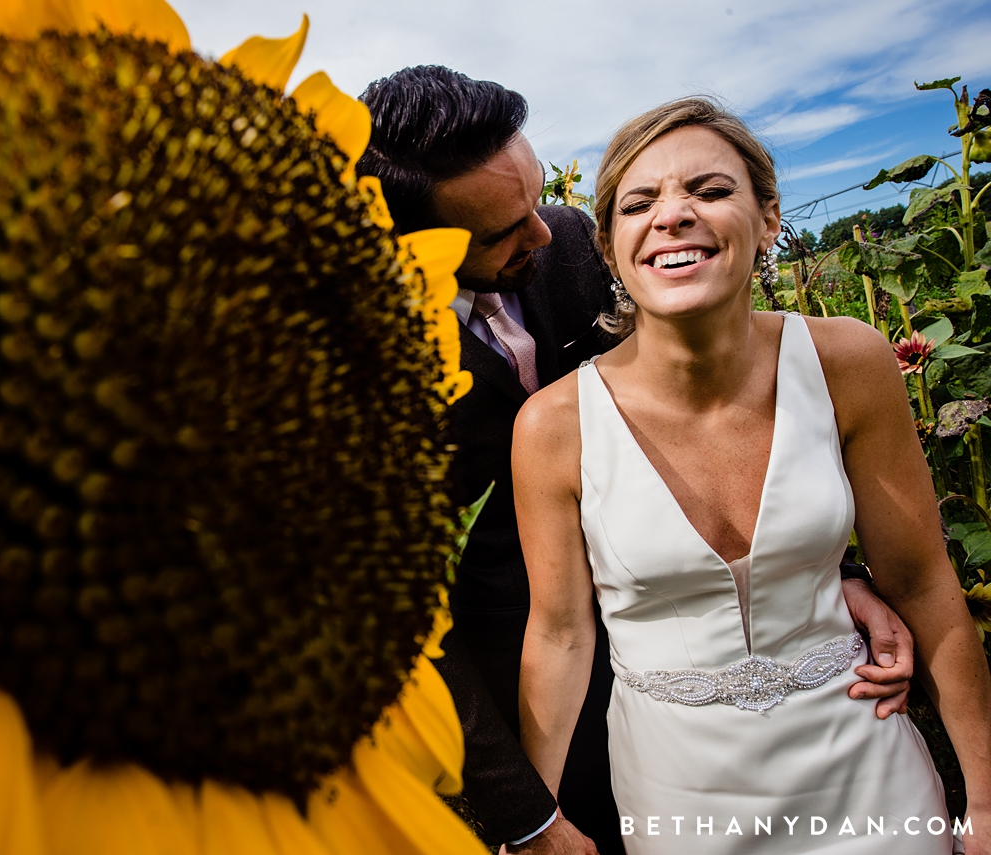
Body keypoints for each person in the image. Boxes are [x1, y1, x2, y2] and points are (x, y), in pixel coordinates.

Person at [357, 68, 919, 854]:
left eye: (536, 198)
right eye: (502, 234)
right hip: (536, 647)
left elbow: (721, 422)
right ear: (411, 247)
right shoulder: (364, 378)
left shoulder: (571, 251)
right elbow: (397, 611)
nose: (546, 234)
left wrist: (824, 575)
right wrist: (527, 814)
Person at [514, 96, 991, 854]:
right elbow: (562, 634)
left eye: (709, 190)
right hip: (676, 801)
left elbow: (924, 583)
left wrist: (986, 804)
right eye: (639, 203)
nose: (672, 215)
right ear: (609, 247)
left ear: (768, 219)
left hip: (868, 775)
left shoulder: (850, 363)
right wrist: (535, 825)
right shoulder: (552, 425)